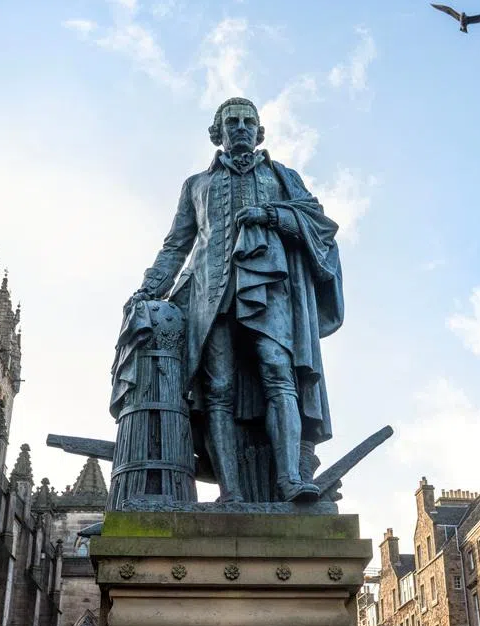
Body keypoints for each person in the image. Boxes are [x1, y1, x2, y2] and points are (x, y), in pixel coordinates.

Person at [129, 97, 344, 502]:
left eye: (249, 121)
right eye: (232, 122)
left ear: (260, 130)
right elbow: (177, 245)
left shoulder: (283, 177)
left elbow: (319, 223)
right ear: (218, 133)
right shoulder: (196, 185)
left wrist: (271, 215)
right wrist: (148, 288)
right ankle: (231, 492)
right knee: (219, 389)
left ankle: (289, 480)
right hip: (210, 295)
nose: (241, 127)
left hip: (270, 289)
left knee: (279, 374)